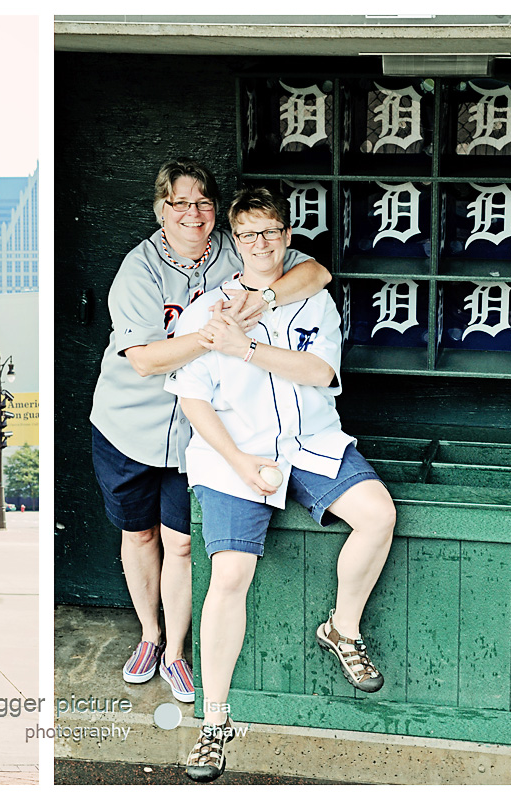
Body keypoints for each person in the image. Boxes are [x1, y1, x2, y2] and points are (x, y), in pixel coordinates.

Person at [164, 187, 396, 782]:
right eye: (247, 234)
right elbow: (193, 400)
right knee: (231, 574)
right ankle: (214, 723)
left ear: (287, 236)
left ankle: (341, 627)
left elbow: (320, 372)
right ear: (233, 242)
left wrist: (250, 348)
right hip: (234, 454)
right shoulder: (207, 308)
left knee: (377, 515)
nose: (261, 243)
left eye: (270, 232)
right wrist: (239, 462)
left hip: (309, 439)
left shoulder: (312, 297)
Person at [89, 157, 331, 703]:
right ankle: (149, 636)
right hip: (131, 423)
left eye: (202, 202)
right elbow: (147, 361)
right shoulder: (140, 267)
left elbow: (316, 274)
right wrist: (214, 333)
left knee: (179, 543)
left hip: (201, 430)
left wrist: (265, 298)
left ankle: (176, 650)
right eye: (179, 203)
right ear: (160, 211)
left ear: (216, 209)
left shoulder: (236, 247)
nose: (192, 213)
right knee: (139, 534)